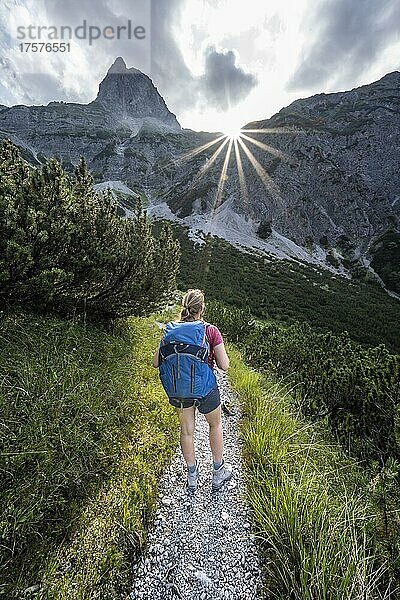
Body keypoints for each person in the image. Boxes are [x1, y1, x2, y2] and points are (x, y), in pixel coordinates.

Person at [152, 289, 233, 492]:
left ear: (184, 306)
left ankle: (192, 476)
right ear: (202, 308)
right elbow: (224, 365)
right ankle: (218, 472)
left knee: (187, 431)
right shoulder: (210, 330)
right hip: (205, 389)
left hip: (180, 389)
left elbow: (155, 362)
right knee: (215, 425)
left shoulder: (169, 331)